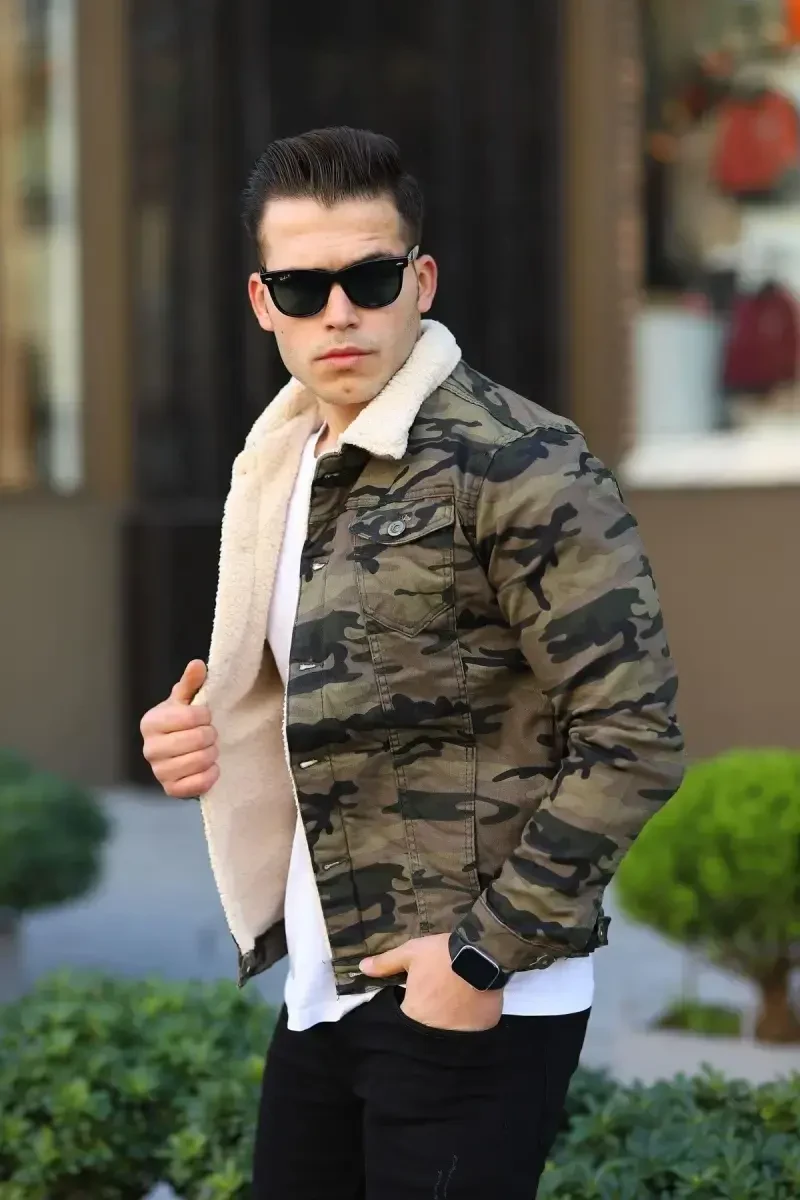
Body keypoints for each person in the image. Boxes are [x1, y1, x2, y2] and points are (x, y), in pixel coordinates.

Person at [140, 126, 684, 1199]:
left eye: (370, 278)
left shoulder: (519, 462)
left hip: (473, 993)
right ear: (263, 303)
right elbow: (323, 697)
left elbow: (633, 736)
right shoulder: (282, 463)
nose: (338, 313)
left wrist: (483, 954)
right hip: (324, 977)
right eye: (303, 288)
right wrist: (196, 742)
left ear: (420, 282)